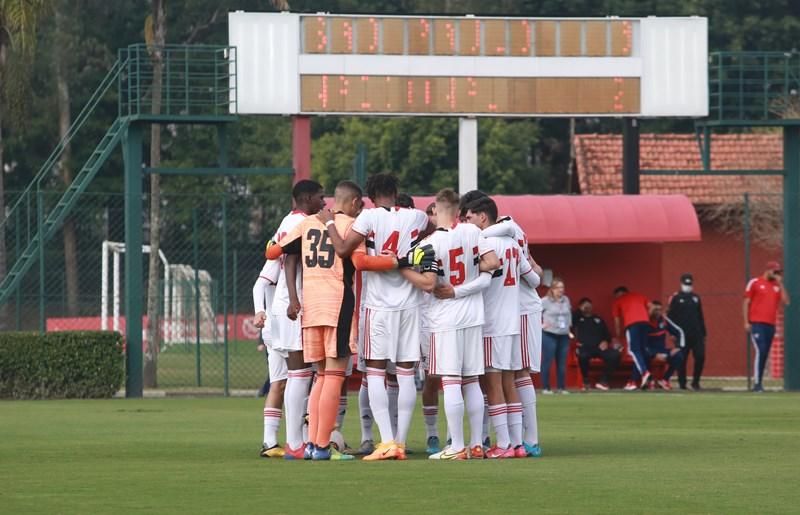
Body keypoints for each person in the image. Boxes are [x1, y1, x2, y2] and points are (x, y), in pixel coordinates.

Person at [267, 181, 408, 461]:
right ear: (356, 203)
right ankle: (321, 446)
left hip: (311, 307)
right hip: (338, 305)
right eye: (361, 205)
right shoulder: (350, 227)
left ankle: (311, 444)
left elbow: (273, 252)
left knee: (319, 377)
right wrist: (400, 262)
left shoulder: (307, 224)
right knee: (333, 376)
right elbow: (360, 262)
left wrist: (274, 240)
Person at [321, 173, 433, 460]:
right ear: (396, 192)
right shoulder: (417, 217)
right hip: (410, 303)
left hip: (378, 306)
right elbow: (431, 231)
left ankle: (385, 442)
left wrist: (330, 222)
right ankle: (402, 441)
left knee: (376, 374)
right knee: (408, 375)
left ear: (369, 197)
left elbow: (344, 249)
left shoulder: (368, 218)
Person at [403, 188, 500, 460]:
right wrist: (466, 283)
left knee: (451, 380)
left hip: (444, 318)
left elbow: (425, 282)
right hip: (473, 315)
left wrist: (404, 267)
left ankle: (457, 446)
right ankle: (477, 443)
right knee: (471, 381)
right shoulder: (472, 232)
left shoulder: (427, 244)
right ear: (458, 212)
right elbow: (493, 262)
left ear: (435, 213)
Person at [460, 190, 543, 458]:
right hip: (512, 321)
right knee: (512, 381)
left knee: (493, 384)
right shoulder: (513, 243)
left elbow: (477, 279)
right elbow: (534, 278)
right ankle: (518, 443)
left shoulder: (483, 245)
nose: (466, 222)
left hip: (491, 322)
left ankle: (504, 444)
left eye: (469, 216)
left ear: (483, 217)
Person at [264, 180, 325, 459]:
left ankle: (296, 442)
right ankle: (295, 444)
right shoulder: (301, 222)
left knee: (298, 375)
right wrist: (294, 298)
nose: (324, 203)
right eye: (320, 197)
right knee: (299, 374)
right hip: (293, 306)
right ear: (308, 197)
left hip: (286, 304)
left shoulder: (287, 220)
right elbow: (289, 260)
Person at [253, 257, 286, 457]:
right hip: (283, 328)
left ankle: (270, 442)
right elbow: (259, 285)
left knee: (279, 384)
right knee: (304, 381)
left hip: (276, 330)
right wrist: (259, 311)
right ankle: (303, 440)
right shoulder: (280, 256)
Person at [744, 261, 791, 392]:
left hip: (770, 324)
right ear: (768, 271)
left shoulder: (776, 286)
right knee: (761, 349)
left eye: (778, 272)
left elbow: (786, 301)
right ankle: (757, 383)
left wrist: (780, 283)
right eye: (774, 272)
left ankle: (759, 381)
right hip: (757, 322)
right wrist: (746, 321)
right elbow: (746, 302)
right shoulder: (755, 282)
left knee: (765, 353)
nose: (776, 275)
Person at [667, 273, 707, 390]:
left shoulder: (696, 298)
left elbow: (700, 316)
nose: (688, 286)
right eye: (686, 284)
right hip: (682, 335)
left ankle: (695, 381)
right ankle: (682, 383)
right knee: (682, 359)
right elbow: (670, 317)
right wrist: (672, 333)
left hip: (697, 334)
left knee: (700, 356)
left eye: (689, 284)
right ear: (681, 283)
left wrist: (704, 333)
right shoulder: (675, 298)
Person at [573, 298, 620, 391]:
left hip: (599, 348)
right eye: (585, 306)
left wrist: (606, 341)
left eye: (589, 306)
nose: (587, 308)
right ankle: (585, 380)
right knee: (582, 356)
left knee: (615, 355)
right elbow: (571, 320)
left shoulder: (598, 319)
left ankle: (603, 380)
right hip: (585, 348)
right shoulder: (577, 319)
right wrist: (580, 310)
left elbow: (607, 335)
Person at [612, 286, 653, 391]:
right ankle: (633, 381)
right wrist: (646, 317)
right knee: (640, 353)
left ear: (618, 294)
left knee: (633, 350)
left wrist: (618, 336)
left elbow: (617, 322)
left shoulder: (618, 301)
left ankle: (644, 372)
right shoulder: (639, 296)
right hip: (645, 324)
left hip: (632, 325)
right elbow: (652, 307)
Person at [541, 278, 572, 394]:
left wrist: (569, 327)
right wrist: (541, 324)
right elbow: (534, 312)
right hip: (549, 333)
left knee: (562, 362)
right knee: (547, 361)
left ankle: (561, 387)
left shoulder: (566, 300)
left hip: (563, 334)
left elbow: (568, 315)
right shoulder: (545, 301)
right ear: (552, 289)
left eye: (562, 288)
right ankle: (546, 388)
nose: (561, 290)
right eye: (558, 288)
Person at [645, 301, 685, 390]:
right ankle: (649, 380)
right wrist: (654, 354)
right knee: (643, 354)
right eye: (655, 309)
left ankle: (664, 380)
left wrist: (678, 347)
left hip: (661, 350)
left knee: (679, 355)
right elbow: (640, 342)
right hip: (648, 351)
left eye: (660, 309)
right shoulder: (644, 322)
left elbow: (679, 331)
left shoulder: (664, 320)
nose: (658, 312)